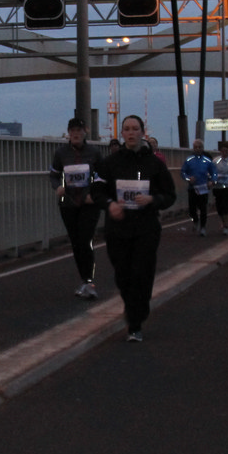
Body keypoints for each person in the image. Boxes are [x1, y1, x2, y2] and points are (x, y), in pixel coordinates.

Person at [91, 114, 176, 342]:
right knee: (123, 274)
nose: (131, 133)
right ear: (122, 134)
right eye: (127, 129)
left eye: (135, 128)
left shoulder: (155, 164)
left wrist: (152, 200)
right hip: (118, 228)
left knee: (142, 273)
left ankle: (135, 323)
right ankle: (133, 308)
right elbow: (97, 191)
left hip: (146, 227)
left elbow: (170, 195)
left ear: (142, 132)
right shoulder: (109, 163)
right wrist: (110, 205)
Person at [49, 115, 103, 298]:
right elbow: (54, 175)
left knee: (85, 240)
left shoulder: (94, 153)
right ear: (68, 133)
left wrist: (94, 194)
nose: (76, 134)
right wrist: (58, 187)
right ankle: (84, 280)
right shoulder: (61, 153)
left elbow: (103, 176)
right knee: (76, 242)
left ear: (85, 132)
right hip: (68, 203)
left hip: (89, 203)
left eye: (79, 130)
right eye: (72, 131)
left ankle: (89, 281)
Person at [181, 138, 216, 236]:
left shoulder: (207, 161)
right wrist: (188, 178)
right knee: (192, 209)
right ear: (193, 148)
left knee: (203, 208)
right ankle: (195, 220)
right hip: (192, 188)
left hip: (203, 188)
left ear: (202, 148)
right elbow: (183, 172)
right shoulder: (189, 160)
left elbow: (214, 173)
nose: (198, 149)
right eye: (196, 147)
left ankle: (203, 227)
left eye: (199, 147)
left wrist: (212, 181)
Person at [211, 139, 228, 236]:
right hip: (217, 186)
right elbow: (211, 172)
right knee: (219, 206)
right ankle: (222, 221)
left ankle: (226, 225)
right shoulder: (215, 161)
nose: (224, 153)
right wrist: (212, 180)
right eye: (223, 151)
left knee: (225, 205)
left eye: (226, 151)